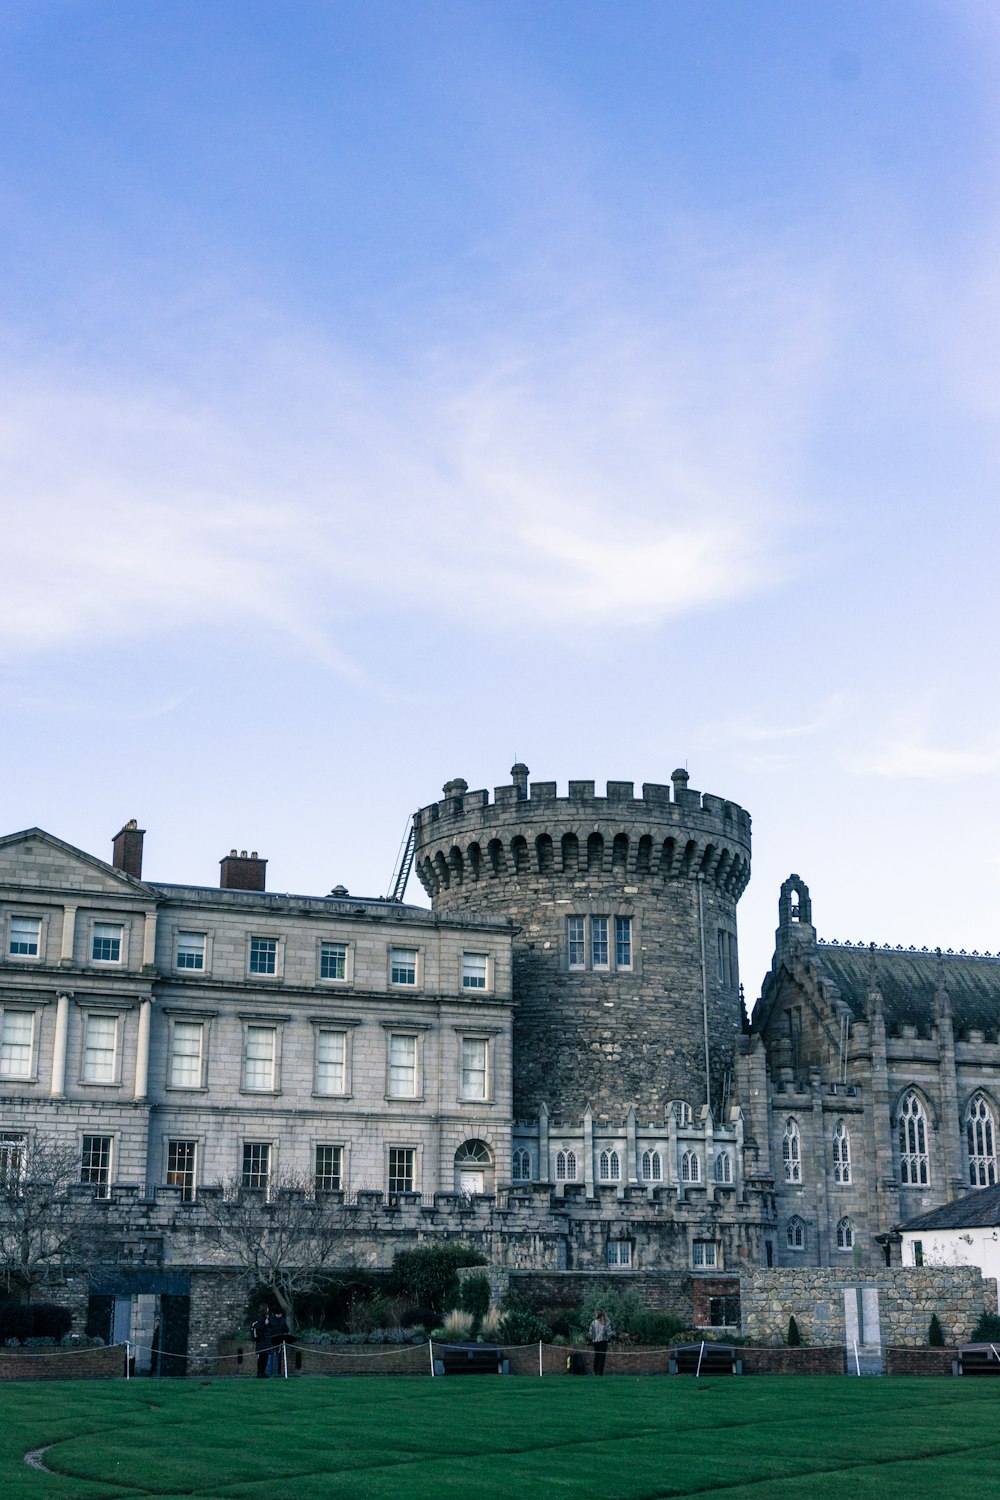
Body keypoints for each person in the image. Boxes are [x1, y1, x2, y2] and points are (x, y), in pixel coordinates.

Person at [589, 1308, 614, 1375]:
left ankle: (600, 1372)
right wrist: (592, 1336)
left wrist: (609, 1335)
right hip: (596, 1341)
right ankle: (595, 1371)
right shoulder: (594, 1322)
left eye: (597, 1313)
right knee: (597, 1356)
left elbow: (609, 1333)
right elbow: (590, 1331)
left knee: (602, 1357)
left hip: (603, 1341)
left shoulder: (606, 1323)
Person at [250, 1307, 272, 1378]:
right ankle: (260, 1372)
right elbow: (259, 1328)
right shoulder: (260, 1318)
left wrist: (268, 1322)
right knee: (261, 1358)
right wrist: (265, 1324)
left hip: (266, 1341)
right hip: (261, 1341)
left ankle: (263, 1372)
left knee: (265, 1357)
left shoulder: (266, 1318)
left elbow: (270, 1327)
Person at [268, 1309, 289, 1376]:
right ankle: (270, 1372)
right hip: (272, 1339)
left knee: (277, 1357)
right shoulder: (271, 1319)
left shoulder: (282, 1320)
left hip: (279, 1340)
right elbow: (268, 1328)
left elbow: (286, 1328)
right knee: (270, 1357)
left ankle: (276, 1372)